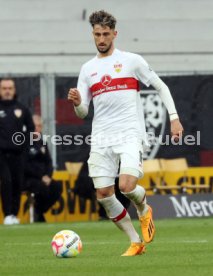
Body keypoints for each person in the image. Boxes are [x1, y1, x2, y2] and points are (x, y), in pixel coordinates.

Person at [68, 10, 184, 256]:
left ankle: (143, 208)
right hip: (101, 136)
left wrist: (174, 118)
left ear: (114, 34)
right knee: (104, 194)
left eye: (106, 34)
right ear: (93, 34)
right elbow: (82, 113)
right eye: (97, 34)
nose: (101, 39)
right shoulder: (87, 69)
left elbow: (160, 86)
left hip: (129, 132)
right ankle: (135, 242)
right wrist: (77, 102)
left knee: (128, 186)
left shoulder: (132, 61)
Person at [0, 78, 34, 225]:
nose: (7, 91)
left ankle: (14, 214)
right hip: (1, 153)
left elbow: (31, 129)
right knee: (6, 181)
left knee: (17, 183)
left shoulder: (22, 108)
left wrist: (25, 147)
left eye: (10, 88)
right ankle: (7, 214)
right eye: (4, 88)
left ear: (14, 90)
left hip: (18, 154)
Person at [23, 115, 62, 222]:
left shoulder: (42, 142)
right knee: (41, 188)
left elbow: (49, 162)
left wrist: (48, 176)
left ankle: (39, 211)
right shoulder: (23, 142)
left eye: (39, 126)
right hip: (28, 178)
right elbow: (24, 166)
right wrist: (41, 177)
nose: (37, 128)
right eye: (34, 126)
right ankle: (38, 215)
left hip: (43, 178)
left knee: (57, 187)